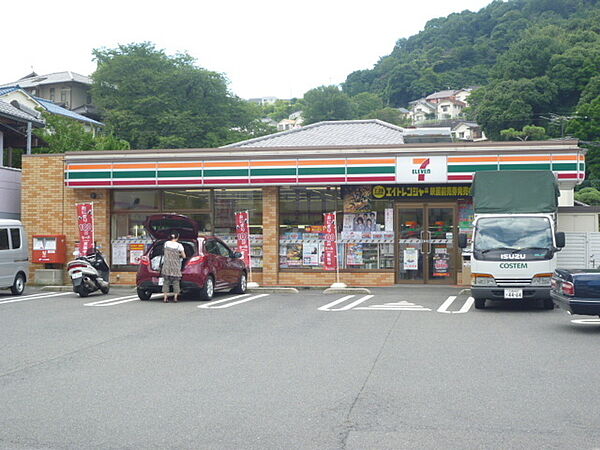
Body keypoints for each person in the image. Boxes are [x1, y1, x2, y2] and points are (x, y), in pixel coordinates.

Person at [161, 232, 186, 303]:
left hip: (167, 266)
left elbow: (165, 252)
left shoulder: (166, 243)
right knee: (176, 282)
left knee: (166, 282)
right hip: (175, 266)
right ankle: (175, 298)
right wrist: (179, 254)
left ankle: (165, 298)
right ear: (177, 238)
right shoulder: (179, 246)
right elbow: (184, 256)